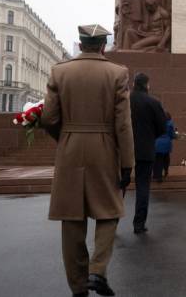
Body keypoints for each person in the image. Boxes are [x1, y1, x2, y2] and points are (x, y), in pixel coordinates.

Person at [40, 24, 134, 297]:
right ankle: (98, 270)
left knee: (71, 219)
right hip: (104, 149)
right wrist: (127, 163)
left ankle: (78, 287)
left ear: (80, 45)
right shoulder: (117, 73)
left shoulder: (60, 71)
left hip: (69, 147)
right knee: (110, 210)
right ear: (104, 46)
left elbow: (48, 118)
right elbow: (124, 125)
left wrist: (66, 136)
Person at [130, 72, 167, 234]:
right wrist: (149, 136)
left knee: (119, 186)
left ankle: (111, 222)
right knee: (143, 186)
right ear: (147, 84)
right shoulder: (153, 102)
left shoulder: (124, 101)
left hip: (123, 149)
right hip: (145, 149)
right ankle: (139, 224)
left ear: (134, 84)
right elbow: (162, 128)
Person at [153, 112, 178, 182]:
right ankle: (166, 170)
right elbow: (172, 135)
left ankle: (157, 175)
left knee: (158, 160)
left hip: (157, 143)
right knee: (166, 158)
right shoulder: (170, 124)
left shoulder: (156, 123)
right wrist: (175, 134)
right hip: (166, 144)